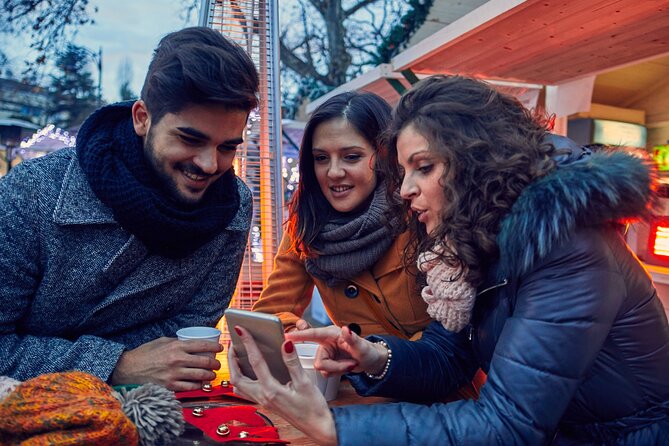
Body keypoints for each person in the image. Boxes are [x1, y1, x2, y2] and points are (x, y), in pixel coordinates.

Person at [229, 75, 669, 444]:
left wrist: (335, 427)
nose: (403, 190)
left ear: (477, 161)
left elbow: (507, 424)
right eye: (404, 172)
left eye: (423, 167)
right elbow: (448, 355)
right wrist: (371, 357)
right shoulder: (473, 241)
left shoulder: (568, 245)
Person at [0, 26, 259, 391]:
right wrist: (116, 365)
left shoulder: (233, 210)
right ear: (142, 118)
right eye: (190, 138)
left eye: (227, 147)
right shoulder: (32, 191)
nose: (209, 164)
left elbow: (186, 345)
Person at [252, 91, 431, 340]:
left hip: (426, 375)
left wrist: (380, 358)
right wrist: (299, 334)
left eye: (351, 157)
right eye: (321, 158)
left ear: (383, 156)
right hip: (350, 377)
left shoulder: (419, 213)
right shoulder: (307, 225)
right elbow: (267, 317)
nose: (333, 172)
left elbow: (453, 333)